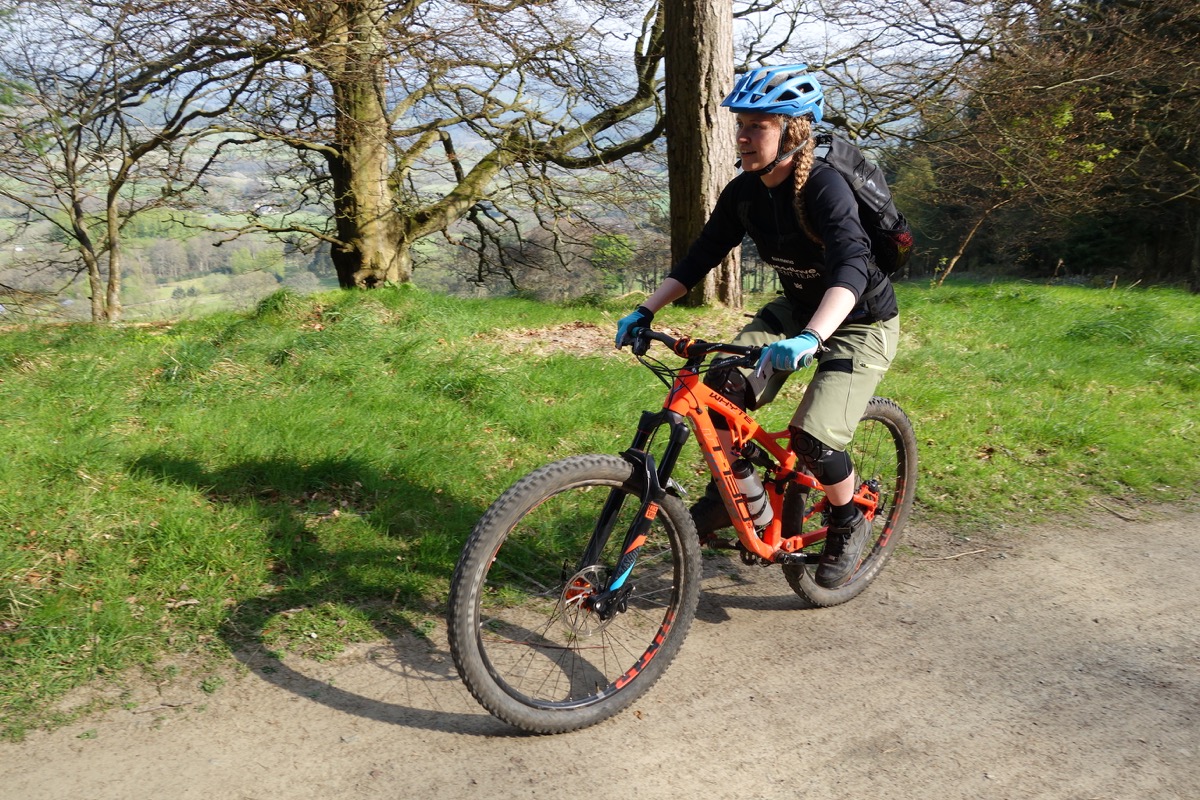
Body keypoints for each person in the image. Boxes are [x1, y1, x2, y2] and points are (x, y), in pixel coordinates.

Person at [614, 64, 899, 589]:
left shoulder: (825, 188)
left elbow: (852, 268)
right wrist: (645, 310)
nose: (743, 136)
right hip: (796, 310)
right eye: (741, 124)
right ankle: (736, 498)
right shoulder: (745, 191)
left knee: (813, 439)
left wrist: (813, 337)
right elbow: (700, 256)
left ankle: (847, 521)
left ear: (792, 131)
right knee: (719, 389)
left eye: (758, 126)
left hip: (860, 320)